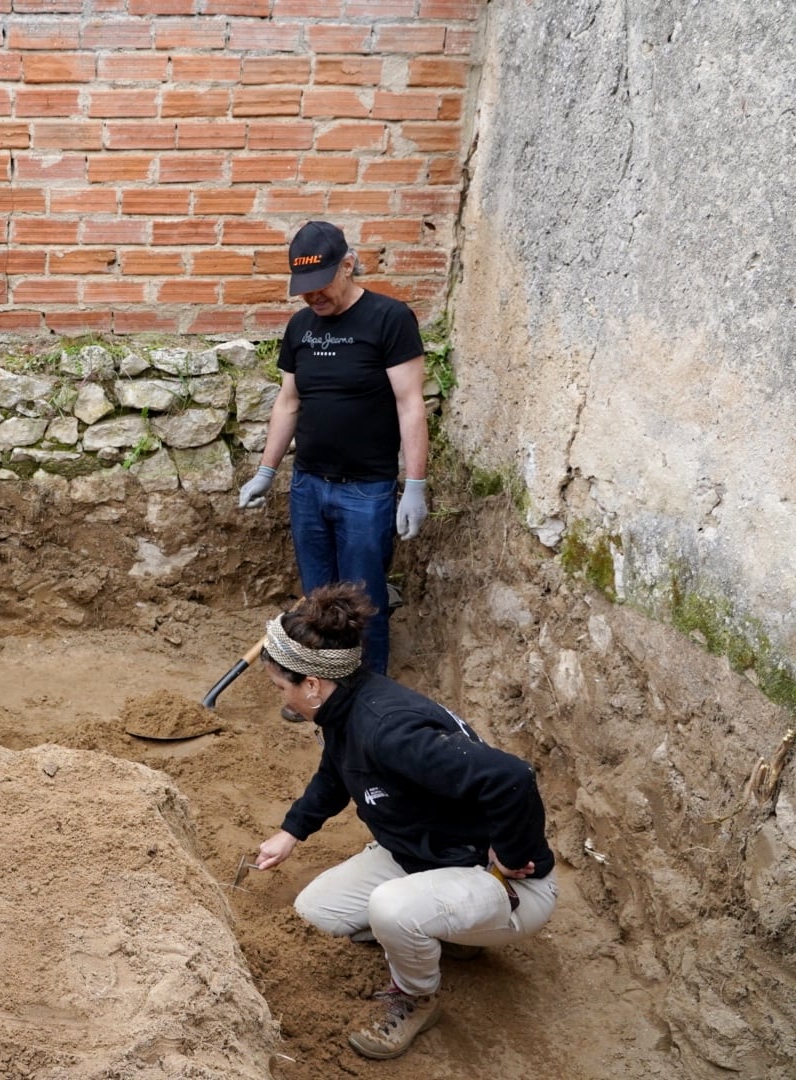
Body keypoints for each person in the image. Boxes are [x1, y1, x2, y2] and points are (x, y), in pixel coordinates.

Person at [244, 582, 557, 1060]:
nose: (281, 701)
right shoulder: (345, 709)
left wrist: (516, 856)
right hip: (421, 855)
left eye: (280, 688)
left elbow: (512, 778)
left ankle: (417, 996)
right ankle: (445, 933)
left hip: (495, 878)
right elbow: (335, 772)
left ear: (311, 684)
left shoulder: (389, 731)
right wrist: (291, 833)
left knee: (392, 909)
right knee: (316, 915)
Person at [237, 220, 429, 681]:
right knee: (317, 597)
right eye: (303, 289)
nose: (312, 297)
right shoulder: (300, 326)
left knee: (364, 601)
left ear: (347, 265)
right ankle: (319, 685)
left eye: (320, 286)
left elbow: (410, 405)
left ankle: (367, 692)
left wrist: (416, 487)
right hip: (308, 485)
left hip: (366, 491)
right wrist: (267, 471)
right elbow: (289, 402)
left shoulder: (389, 318)